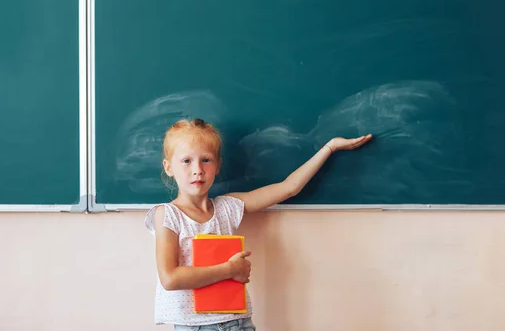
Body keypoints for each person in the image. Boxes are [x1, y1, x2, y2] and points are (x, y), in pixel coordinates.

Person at [145, 118, 372, 330]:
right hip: (193, 325)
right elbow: (170, 278)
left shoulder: (227, 207)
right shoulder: (168, 215)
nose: (197, 169)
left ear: (218, 165)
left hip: (237, 321)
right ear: (168, 167)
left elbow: (289, 187)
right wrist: (230, 270)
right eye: (186, 161)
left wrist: (329, 148)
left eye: (206, 160)